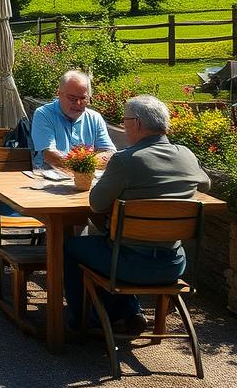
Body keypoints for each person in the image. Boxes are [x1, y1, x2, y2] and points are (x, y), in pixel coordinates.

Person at [63, 95, 210, 334]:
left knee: (71, 246)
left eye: (125, 120)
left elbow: (96, 203)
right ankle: (127, 312)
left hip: (129, 266)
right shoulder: (186, 154)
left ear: (137, 124)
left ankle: (84, 321)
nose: (123, 125)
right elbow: (205, 185)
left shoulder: (125, 160)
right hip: (174, 264)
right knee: (112, 246)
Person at [30, 70, 115, 170]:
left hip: (86, 177)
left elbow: (110, 152)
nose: (78, 103)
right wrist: (82, 166)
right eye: (72, 98)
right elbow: (49, 155)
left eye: (83, 98)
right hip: (48, 177)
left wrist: (87, 164)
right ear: (59, 94)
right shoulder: (44, 114)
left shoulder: (95, 118)